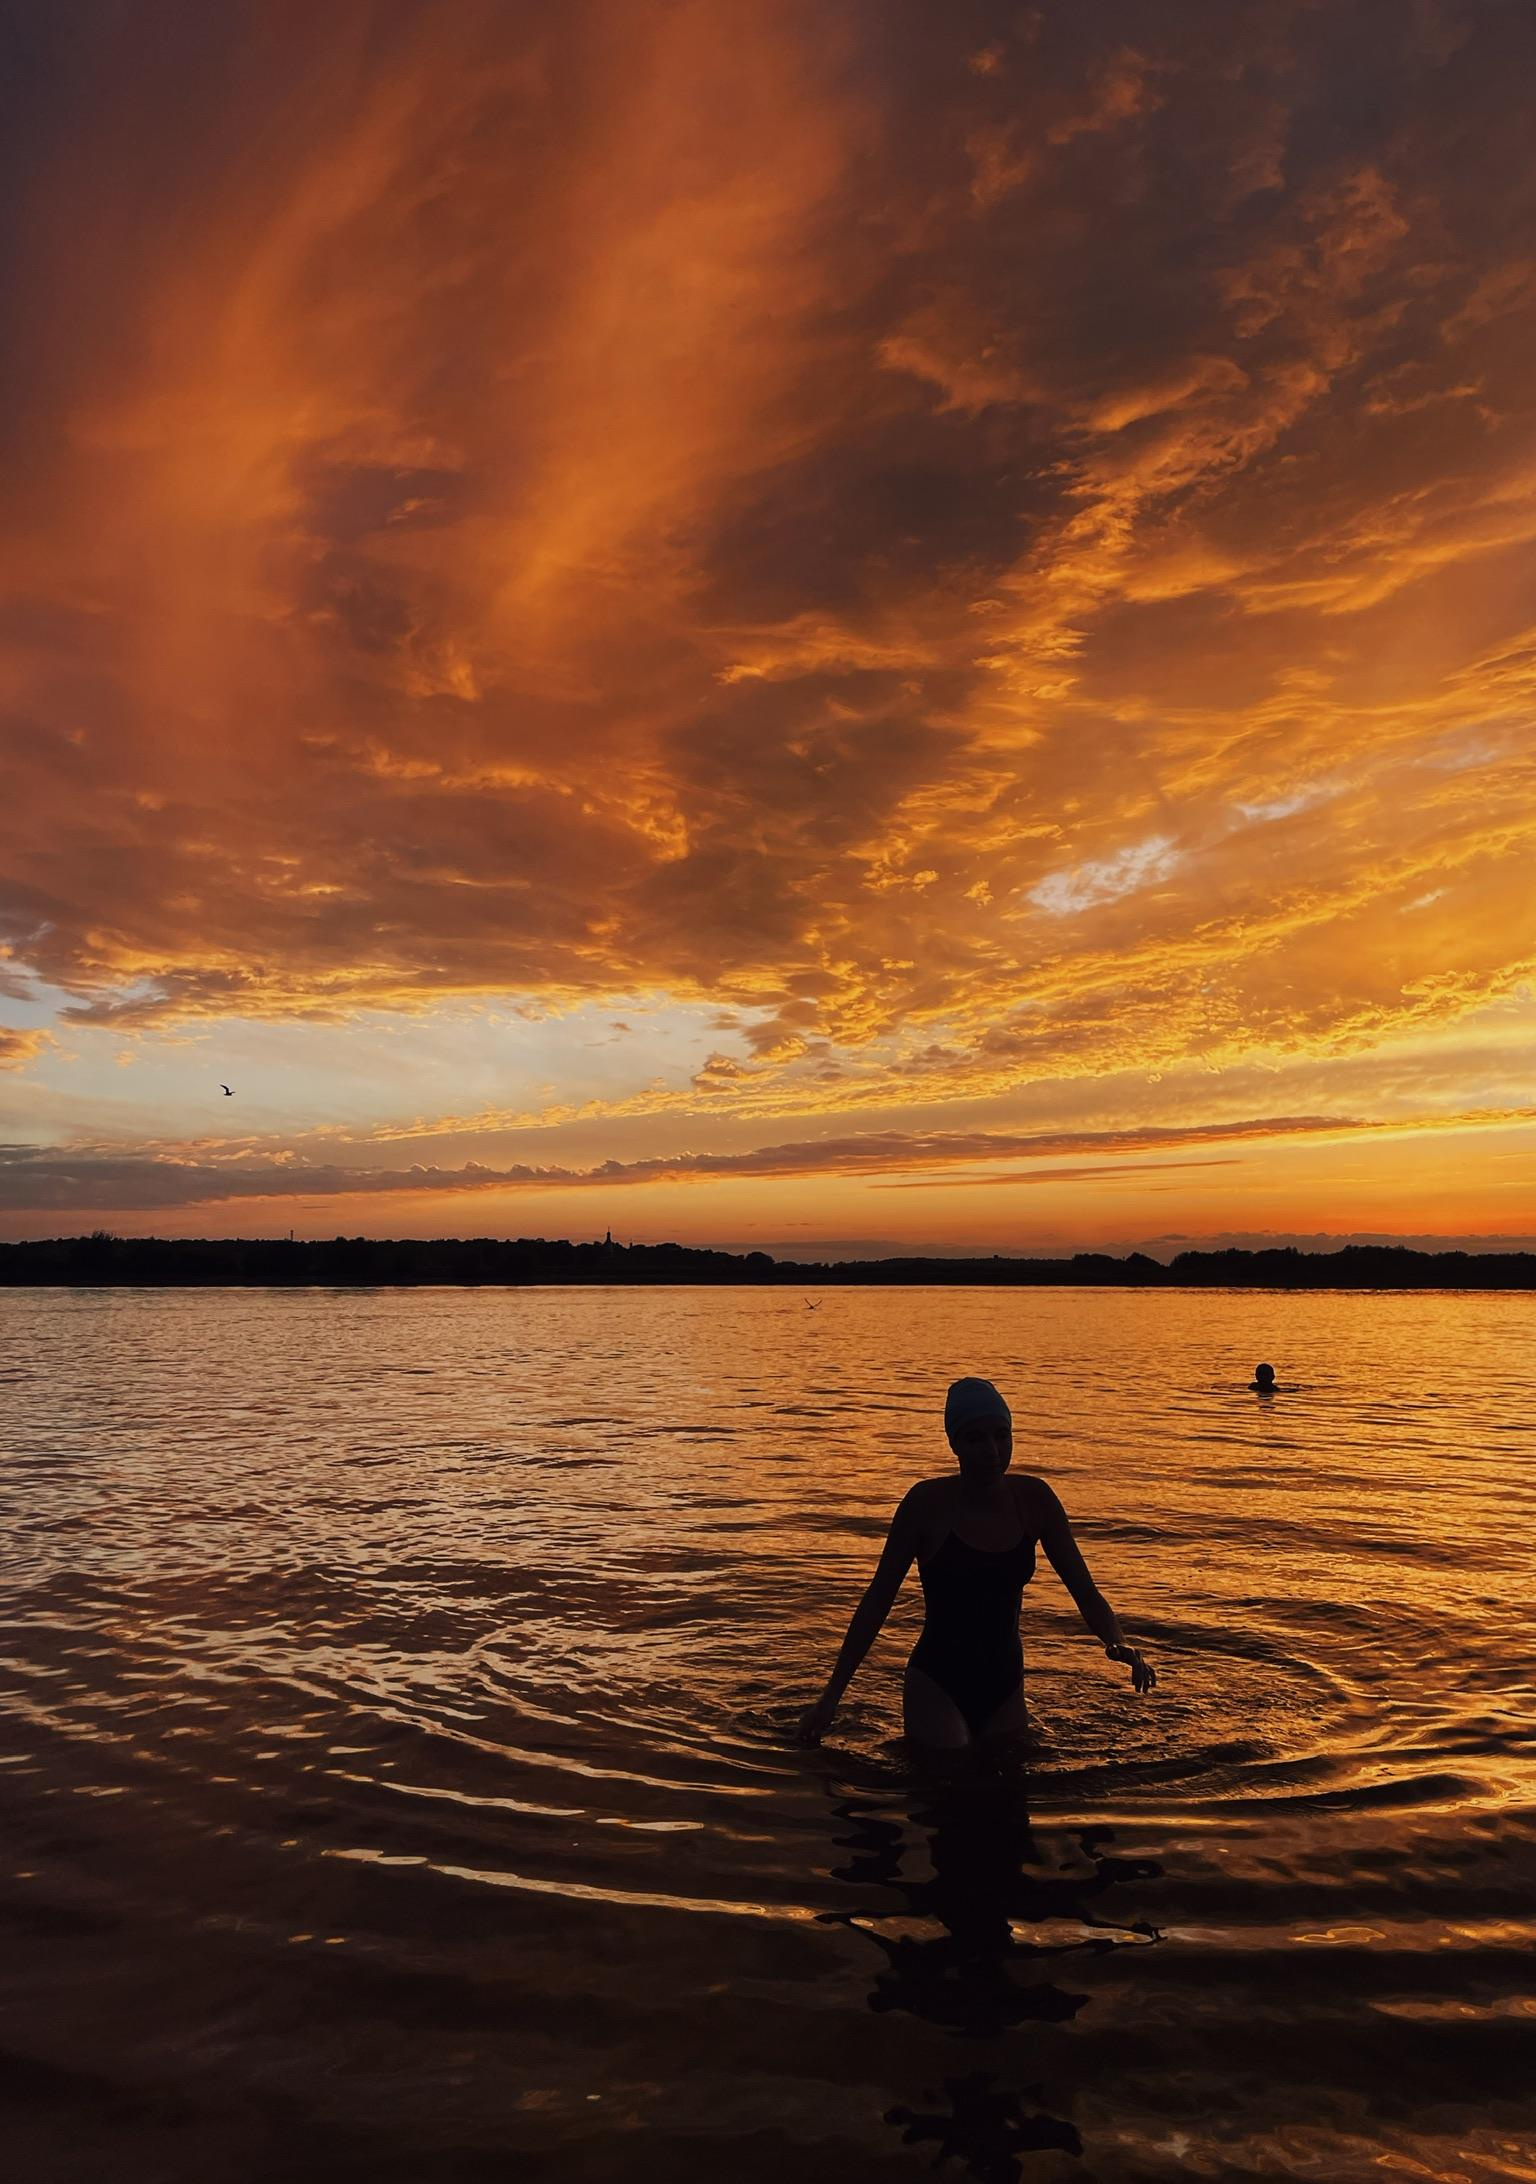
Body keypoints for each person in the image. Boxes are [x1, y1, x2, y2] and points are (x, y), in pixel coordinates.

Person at [796, 1376, 1155, 1750]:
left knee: (1006, 1796)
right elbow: (877, 1601)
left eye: (1002, 1435)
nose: (993, 1450)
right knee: (947, 1781)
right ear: (954, 1443)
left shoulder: (1035, 1500)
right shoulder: (925, 1505)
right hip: (937, 1680)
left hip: (1006, 1683)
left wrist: (1119, 1642)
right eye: (976, 1438)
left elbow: (1085, 1591)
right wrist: (830, 1699)